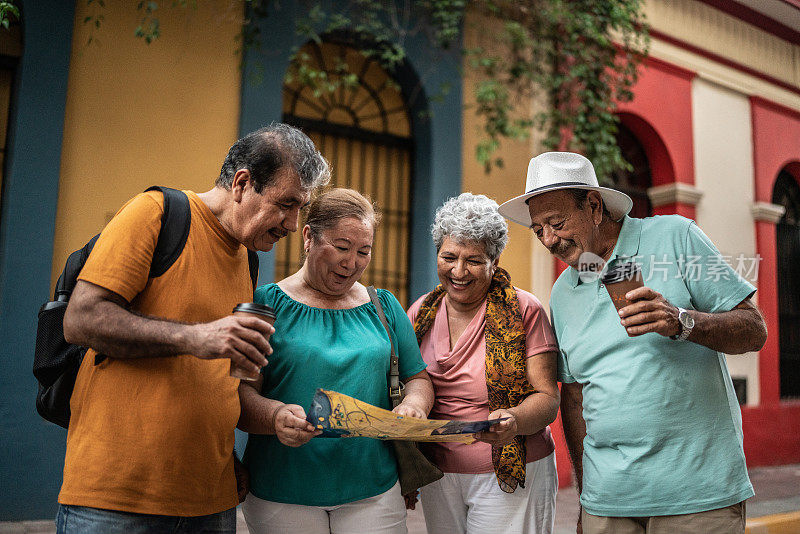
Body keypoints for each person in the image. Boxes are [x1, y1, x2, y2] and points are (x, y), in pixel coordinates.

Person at [58, 123, 329, 534]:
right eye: (286, 204)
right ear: (242, 183)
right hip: (117, 501)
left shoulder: (247, 260)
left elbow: (227, 386)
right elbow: (81, 319)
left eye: (300, 210)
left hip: (212, 502)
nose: (292, 224)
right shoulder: (156, 213)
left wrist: (262, 428)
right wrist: (196, 336)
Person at [498, 152, 768, 534]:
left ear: (593, 206)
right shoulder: (563, 291)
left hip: (697, 496)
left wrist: (683, 322)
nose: (548, 240)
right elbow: (574, 398)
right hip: (608, 504)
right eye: (538, 229)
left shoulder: (676, 236)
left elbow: (754, 330)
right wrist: (586, 497)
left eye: (556, 223)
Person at [237, 188, 434, 534]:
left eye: (364, 251)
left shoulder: (384, 306)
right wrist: (275, 416)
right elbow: (238, 393)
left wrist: (414, 406)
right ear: (309, 236)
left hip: (374, 487)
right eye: (342, 247)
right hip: (283, 489)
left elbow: (417, 377)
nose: (352, 262)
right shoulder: (260, 304)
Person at [407, 192, 561, 534]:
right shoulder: (420, 313)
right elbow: (412, 383)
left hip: (512, 469)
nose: (459, 271)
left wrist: (514, 419)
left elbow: (548, 399)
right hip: (439, 473)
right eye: (449, 257)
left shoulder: (524, 310)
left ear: (495, 260)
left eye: (474, 260)